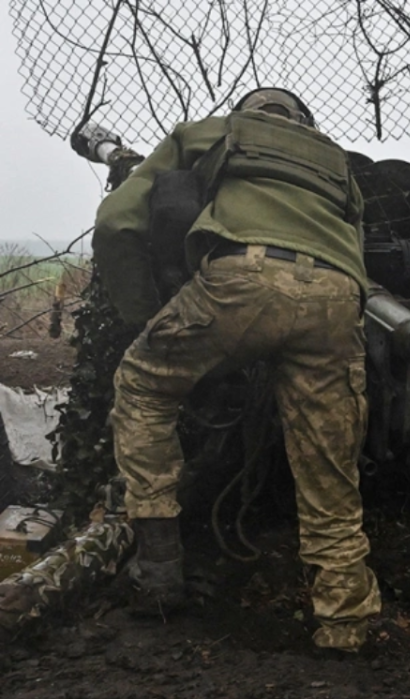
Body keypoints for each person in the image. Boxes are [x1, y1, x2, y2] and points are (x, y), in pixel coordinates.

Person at [92, 88, 381, 651]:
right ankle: (346, 621)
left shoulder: (211, 131)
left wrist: (146, 315)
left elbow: (116, 221)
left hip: (240, 280)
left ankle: (158, 574)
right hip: (339, 297)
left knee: (143, 385)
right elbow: (356, 245)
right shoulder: (335, 161)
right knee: (327, 461)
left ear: (245, 112)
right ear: (303, 121)